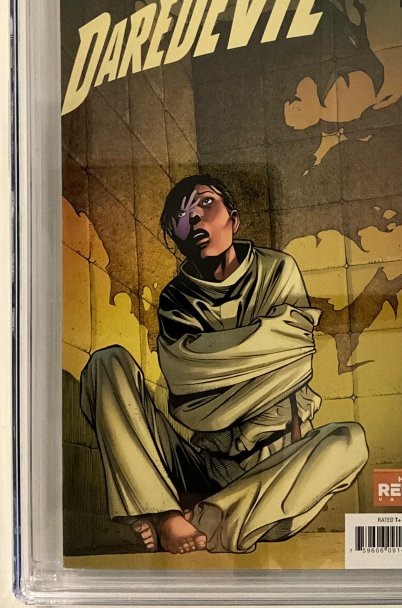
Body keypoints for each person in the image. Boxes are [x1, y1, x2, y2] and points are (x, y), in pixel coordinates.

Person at [80, 175, 369, 554]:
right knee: (107, 364)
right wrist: (260, 353)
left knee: (349, 440)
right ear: (175, 236)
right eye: (180, 216)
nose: (193, 218)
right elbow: (187, 389)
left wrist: (207, 372)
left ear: (233, 218)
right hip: (207, 465)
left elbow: (296, 357)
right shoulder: (176, 298)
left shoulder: (276, 269)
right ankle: (168, 514)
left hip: (277, 474)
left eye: (205, 203)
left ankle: (200, 516)